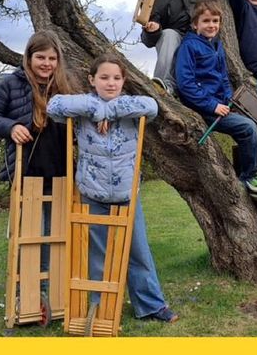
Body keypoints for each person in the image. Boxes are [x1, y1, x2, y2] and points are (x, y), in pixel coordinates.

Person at [47, 53, 178, 324]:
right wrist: (96, 108)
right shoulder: (84, 108)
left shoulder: (131, 107)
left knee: (138, 251)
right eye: (104, 78)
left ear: (123, 81)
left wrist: (110, 109)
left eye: (116, 78)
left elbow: (152, 106)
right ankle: (100, 307)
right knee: (97, 253)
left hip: (126, 194)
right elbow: (54, 106)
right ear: (92, 80)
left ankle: (151, 305)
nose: (110, 83)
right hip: (92, 192)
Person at [0, 29, 77, 316]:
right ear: (29, 58)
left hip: (60, 172)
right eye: (40, 57)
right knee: (31, 234)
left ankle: (53, 292)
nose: (46, 64)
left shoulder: (66, 86)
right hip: (27, 173)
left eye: (52, 58)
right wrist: (11, 127)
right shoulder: (12, 84)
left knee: (56, 233)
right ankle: (28, 294)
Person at [174, 0, 257, 199]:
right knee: (247, 127)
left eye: (215, 21)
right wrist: (212, 105)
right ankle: (249, 176)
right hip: (202, 109)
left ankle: (247, 172)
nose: (211, 25)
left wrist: (227, 98)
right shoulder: (189, 46)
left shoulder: (217, 46)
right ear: (195, 25)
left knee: (255, 125)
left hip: (220, 105)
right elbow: (186, 84)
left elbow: (224, 78)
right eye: (206, 21)